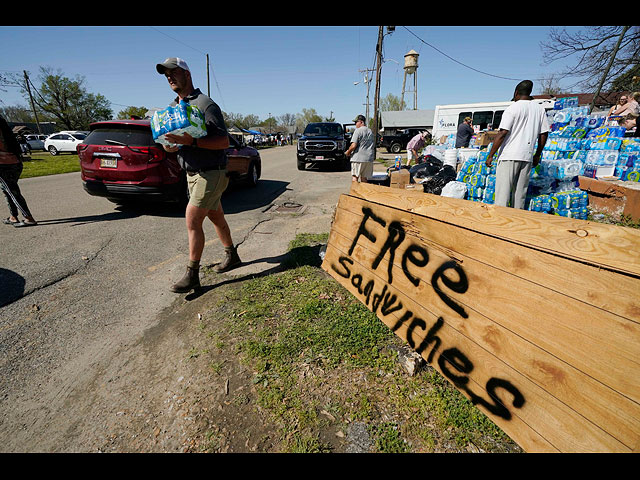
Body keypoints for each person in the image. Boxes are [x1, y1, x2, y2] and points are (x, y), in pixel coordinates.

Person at [156, 57, 241, 293]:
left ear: (187, 74)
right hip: (191, 174)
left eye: (174, 72)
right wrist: (169, 146)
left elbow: (223, 141)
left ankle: (192, 274)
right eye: (166, 75)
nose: (170, 77)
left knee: (193, 220)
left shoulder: (205, 104)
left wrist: (191, 141)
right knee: (216, 218)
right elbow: (170, 142)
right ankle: (232, 255)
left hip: (211, 173)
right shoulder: (173, 108)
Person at [486, 80, 549, 210]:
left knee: (502, 194)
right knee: (520, 195)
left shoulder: (512, 108)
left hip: (509, 156)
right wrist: (537, 154)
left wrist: (491, 155)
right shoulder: (539, 109)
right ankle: (515, 223)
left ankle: (500, 223)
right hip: (527, 157)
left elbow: (503, 133)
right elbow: (544, 134)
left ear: (516, 93)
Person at [0, 115, 37, 227]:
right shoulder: (6, 131)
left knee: (12, 191)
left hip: (3, 165)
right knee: (7, 190)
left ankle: (28, 218)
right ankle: (13, 217)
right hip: (15, 163)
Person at [345, 114, 375, 183]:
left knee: (355, 177)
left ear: (361, 122)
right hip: (368, 159)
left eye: (356, 122)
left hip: (358, 158)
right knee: (364, 179)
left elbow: (353, 145)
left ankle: (355, 193)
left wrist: (348, 152)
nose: (355, 124)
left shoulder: (358, 131)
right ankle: (363, 193)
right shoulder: (370, 131)